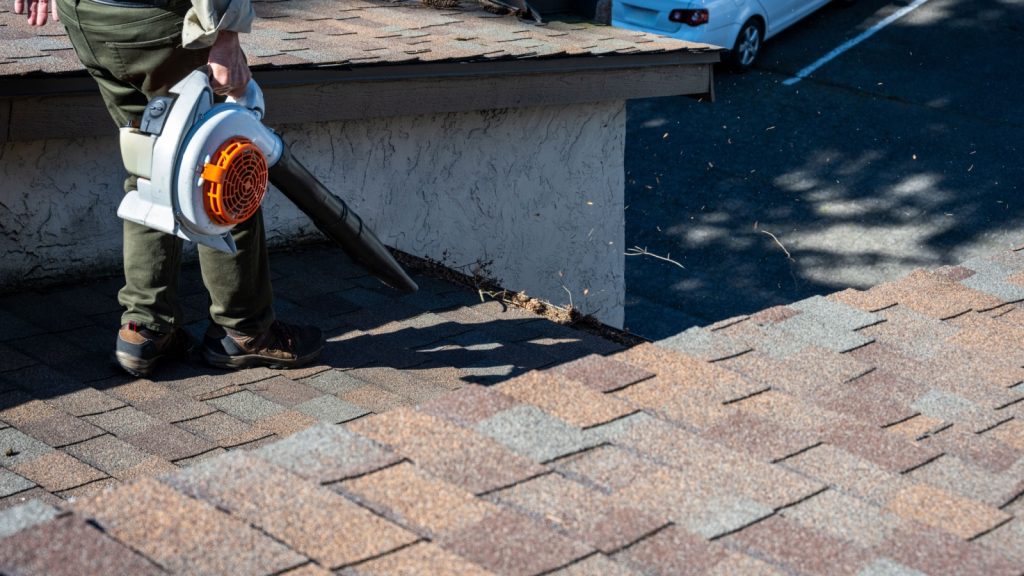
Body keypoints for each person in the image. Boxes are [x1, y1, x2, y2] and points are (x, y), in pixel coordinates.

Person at [13, 0, 323, 376]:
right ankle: (244, 329)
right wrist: (225, 33)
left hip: (89, 18)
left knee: (151, 162)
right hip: (155, 23)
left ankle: (144, 329)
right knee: (224, 164)